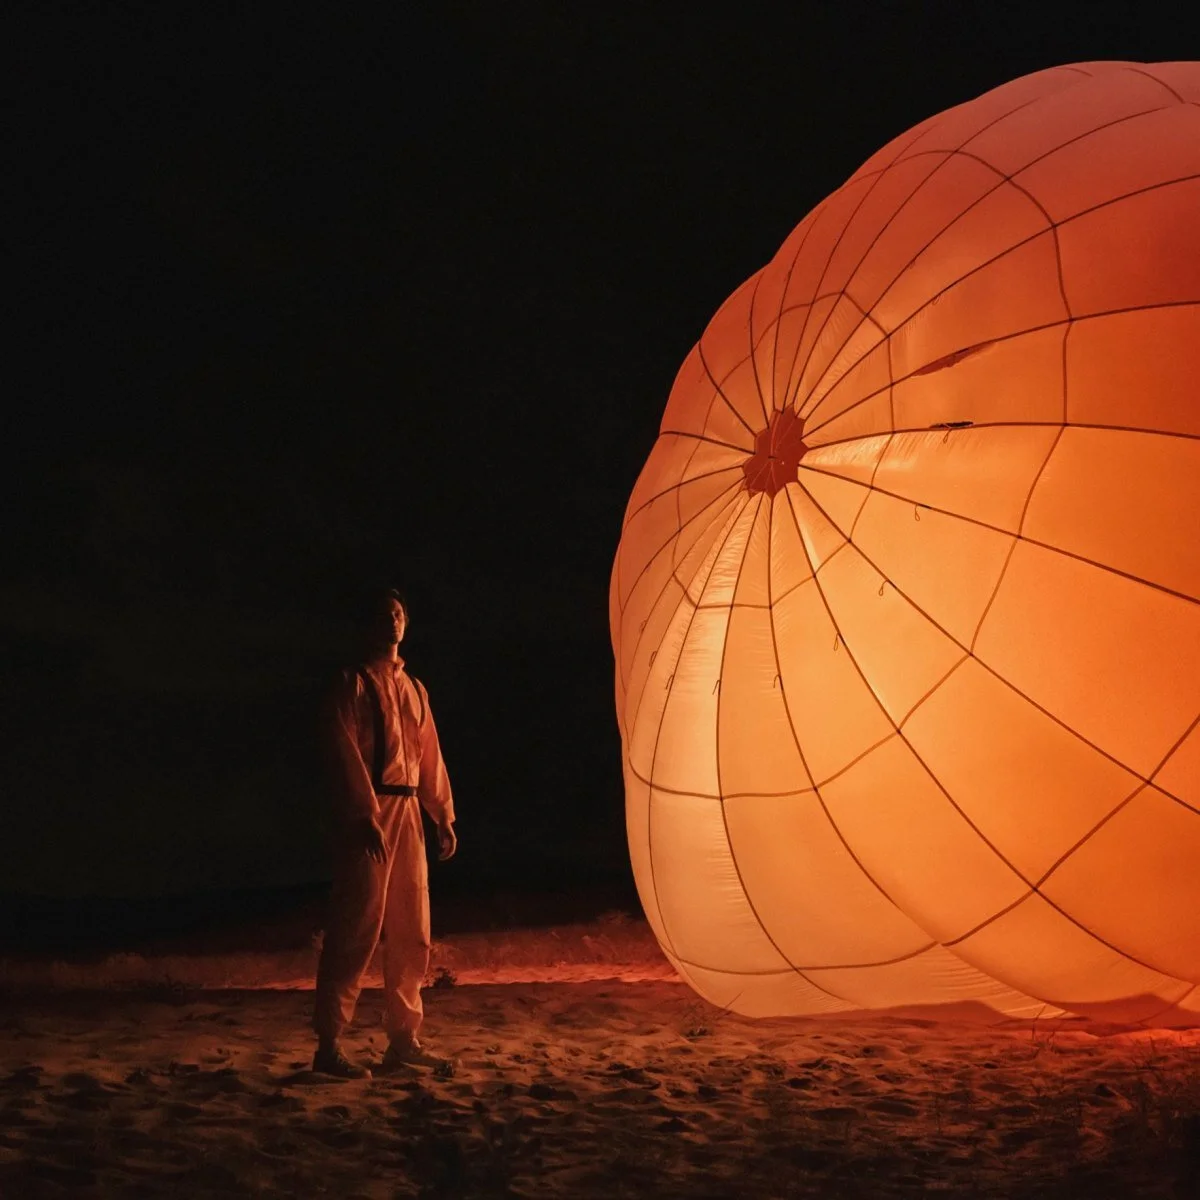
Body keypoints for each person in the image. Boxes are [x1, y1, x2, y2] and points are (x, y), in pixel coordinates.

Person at [312, 588, 457, 1078]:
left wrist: (442, 813)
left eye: (398, 614)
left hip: (409, 808)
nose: (392, 622)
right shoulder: (351, 683)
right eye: (383, 615)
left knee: (412, 926)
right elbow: (343, 751)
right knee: (357, 925)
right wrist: (363, 814)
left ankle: (403, 1039)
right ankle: (330, 1043)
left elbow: (428, 751)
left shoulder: (414, 688)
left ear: (406, 622)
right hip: (372, 811)